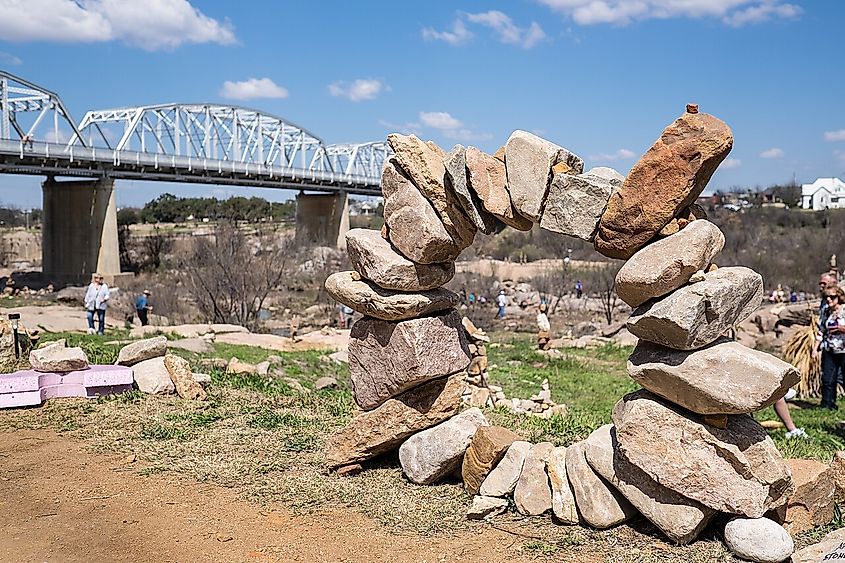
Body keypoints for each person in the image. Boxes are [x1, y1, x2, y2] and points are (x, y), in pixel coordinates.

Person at [814, 284, 845, 409]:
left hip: (843, 349)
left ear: (839, 297)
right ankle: (827, 403)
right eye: (826, 297)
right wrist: (815, 349)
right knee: (827, 378)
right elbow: (821, 330)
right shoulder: (826, 311)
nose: (829, 300)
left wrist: (841, 328)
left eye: (832, 297)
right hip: (829, 349)